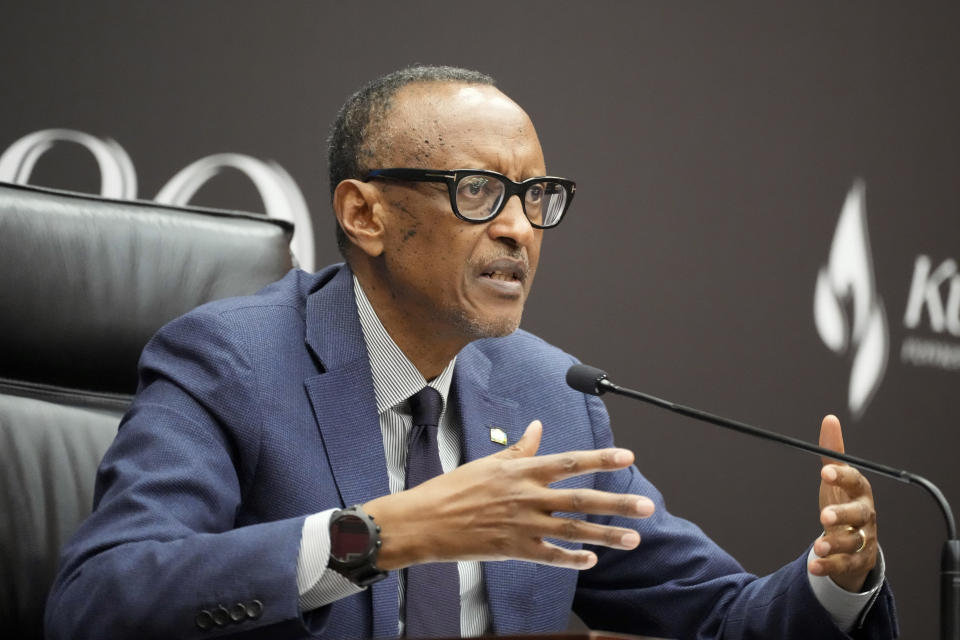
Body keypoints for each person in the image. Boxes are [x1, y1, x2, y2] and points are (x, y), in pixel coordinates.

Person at [45, 65, 897, 640]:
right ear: (364, 214)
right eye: (479, 191)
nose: (520, 228)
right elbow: (96, 602)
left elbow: (723, 617)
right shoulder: (230, 363)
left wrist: (836, 578)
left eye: (536, 196)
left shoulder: (549, 398)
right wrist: (381, 535)